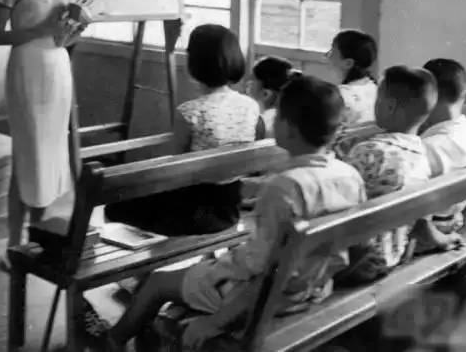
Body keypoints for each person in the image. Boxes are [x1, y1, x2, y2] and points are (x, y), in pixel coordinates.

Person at [103, 75, 367, 351]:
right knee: (199, 270)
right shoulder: (349, 176)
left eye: (278, 115)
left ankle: (112, 341)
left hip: (256, 298)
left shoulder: (283, 188)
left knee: (158, 281)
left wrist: (215, 322)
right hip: (314, 288)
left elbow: (262, 275)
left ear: (288, 128)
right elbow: (347, 248)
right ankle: (157, 331)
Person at [0, 0, 86, 270]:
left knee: (47, 159)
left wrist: (76, 27)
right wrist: (43, 28)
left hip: (57, 70)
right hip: (27, 71)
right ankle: (15, 244)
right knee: (28, 157)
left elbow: (62, 39)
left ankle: (35, 241)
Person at [105, 24, 262, 236]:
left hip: (192, 212)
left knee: (115, 205)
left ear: (194, 63)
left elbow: (172, 172)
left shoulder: (190, 112)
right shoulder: (250, 105)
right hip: (230, 208)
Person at [336, 66, 436, 283]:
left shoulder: (369, 151)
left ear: (389, 106)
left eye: (377, 99)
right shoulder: (421, 152)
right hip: (394, 253)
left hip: (358, 261)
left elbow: (339, 196)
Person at [411, 59, 466, 254]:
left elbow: (411, 211)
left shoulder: (427, 148)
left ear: (425, 98)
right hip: (454, 219)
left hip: (428, 233)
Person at [325, 29, 378, 157]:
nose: (327, 56)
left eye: (332, 52)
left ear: (348, 63)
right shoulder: (376, 89)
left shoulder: (338, 96)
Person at [246, 55, 299, 137]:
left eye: (252, 81)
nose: (247, 85)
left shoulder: (260, 124)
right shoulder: (291, 118)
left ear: (266, 94)